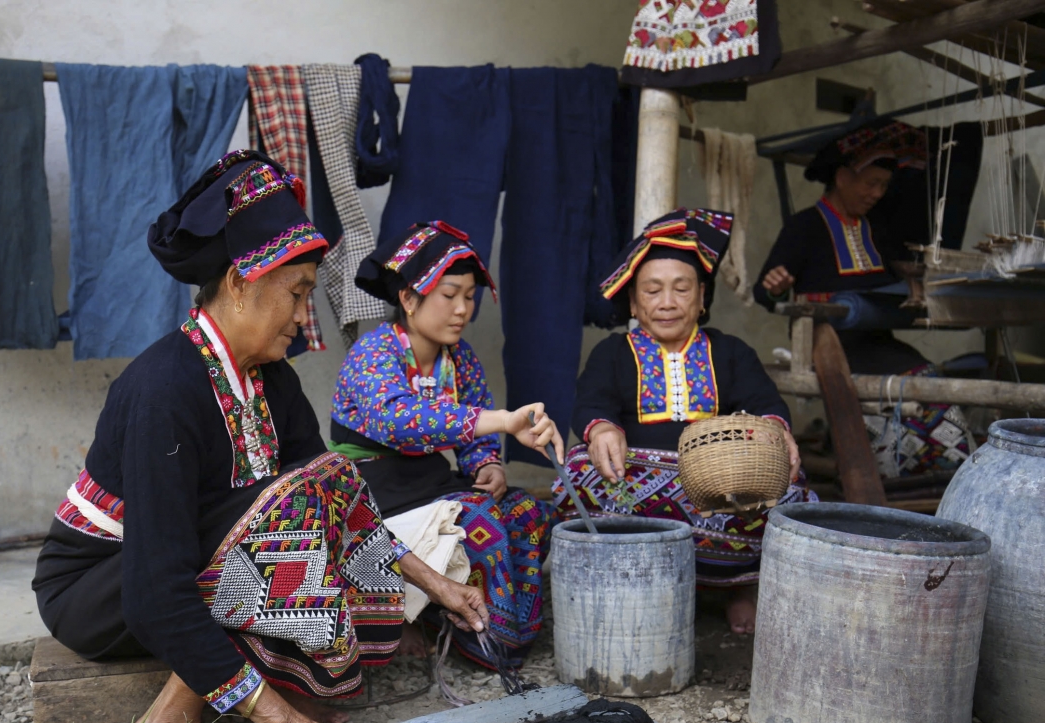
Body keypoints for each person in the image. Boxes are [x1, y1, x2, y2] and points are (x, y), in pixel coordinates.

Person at [32, 152, 488, 723]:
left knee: (324, 484)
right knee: (286, 513)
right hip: (101, 588)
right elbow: (154, 589)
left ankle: (286, 682)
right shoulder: (163, 389)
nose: (307, 317)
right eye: (299, 293)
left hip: (193, 560)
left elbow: (338, 498)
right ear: (244, 280)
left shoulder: (271, 377)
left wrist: (435, 583)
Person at [556, 208, 816, 634]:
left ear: (701, 298)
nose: (667, 302)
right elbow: (591, 402)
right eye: (652, 291)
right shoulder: (613, 354)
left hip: (720, 486)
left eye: (681, 289)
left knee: (789, 492)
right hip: (634, 480)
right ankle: (632, 587)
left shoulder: (730, 352)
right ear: (634, 302)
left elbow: (764, 400)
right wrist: (602, 428)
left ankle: (739, 586)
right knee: (577, 476)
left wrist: (778, 431)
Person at [330, 221, 564, 669]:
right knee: (478, 521)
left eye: (470, 296)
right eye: (449, 294)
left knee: (528, 512)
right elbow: (399, 422)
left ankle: (507, 629)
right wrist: (498, 422)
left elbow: (475, 430)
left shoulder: (460, 359)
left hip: (429, 480)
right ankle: (475, 633)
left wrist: (488, 465)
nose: (462, 309)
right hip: (372, 488)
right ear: (408, 298)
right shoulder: (373, 352)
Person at [754, 120, 971, 477]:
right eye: (871, 183)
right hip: (827, 343)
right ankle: (893, 477)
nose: (877, 193)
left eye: (883, 186)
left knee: (928, 379)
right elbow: (762, 292)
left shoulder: (877, 230)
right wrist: (776, 286)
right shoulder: (804, 227)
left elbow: (887, 289)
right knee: (921, 385)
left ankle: (930, 480)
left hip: (874, 340)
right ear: (842, 177)